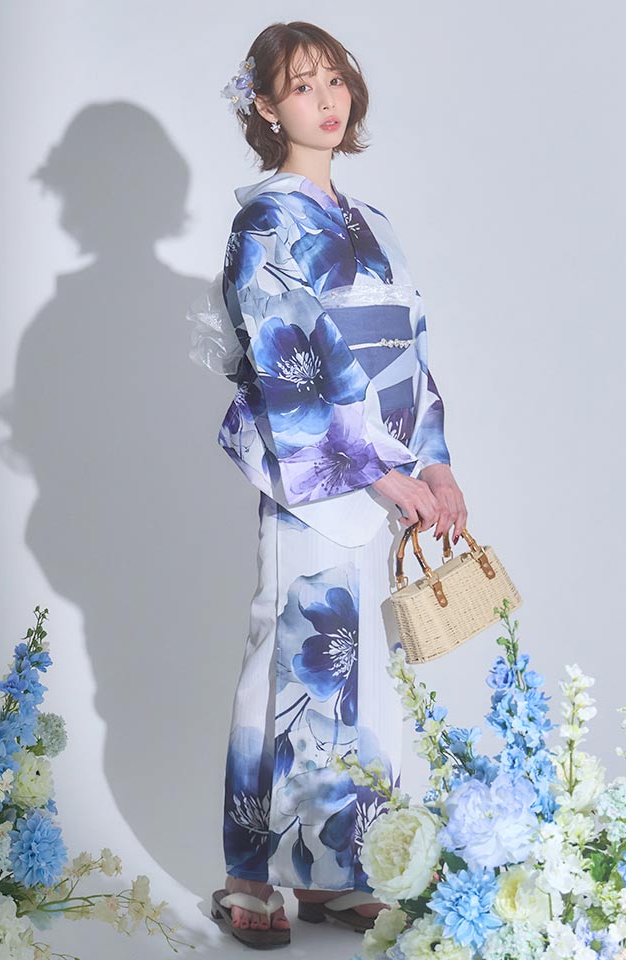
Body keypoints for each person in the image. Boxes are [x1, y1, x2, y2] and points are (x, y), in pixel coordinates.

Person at [193, 20, 467, 949]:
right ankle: (248, 875)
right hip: (315, 476)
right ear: (267, 107)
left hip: (386, 474)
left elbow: (410, 346)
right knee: (289, 664)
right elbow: (287, 360)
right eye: (303, 85)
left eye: (336, 79)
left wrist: (433, 460)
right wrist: (379, 472)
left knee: (365, 678)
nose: (327, 99)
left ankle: (336, 873)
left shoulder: (370, 223)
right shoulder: (267, 221)